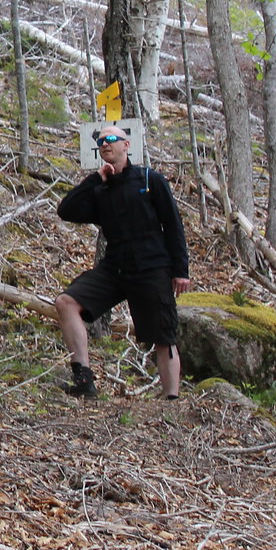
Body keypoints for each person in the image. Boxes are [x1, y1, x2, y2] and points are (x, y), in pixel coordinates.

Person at [53, 126, 192, 399]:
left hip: (152, 268)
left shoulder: (150, 180)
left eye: (112, 139)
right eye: (102, 141)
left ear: (127, 145)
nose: (106, 144)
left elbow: (173, 226)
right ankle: (84, 380)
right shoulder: (101, 188)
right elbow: (66, 210)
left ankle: (171, 400)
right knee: (66, 302)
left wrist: (180, 270)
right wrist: (94, 181)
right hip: (114, 268)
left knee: (164, 336)